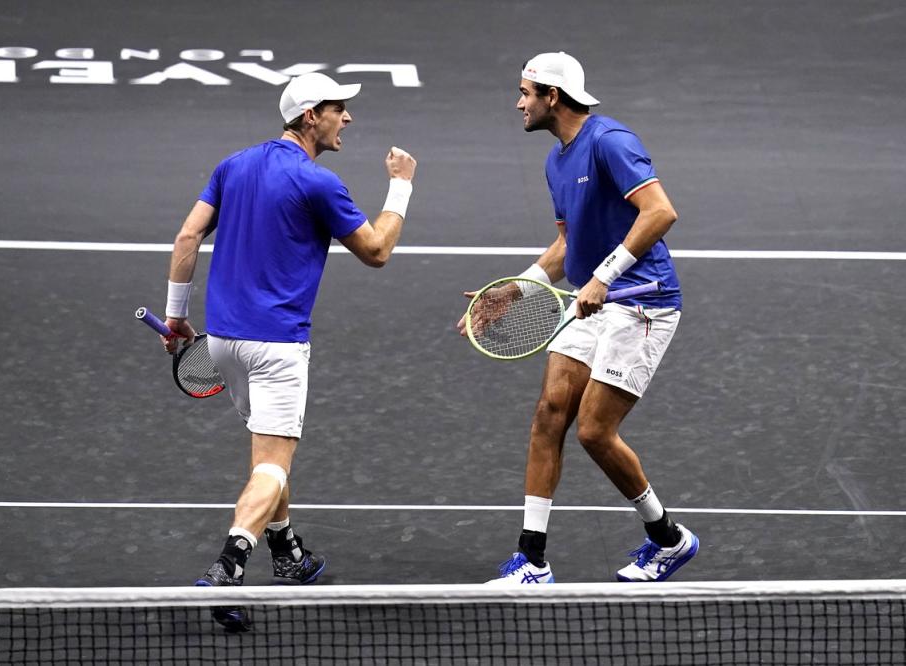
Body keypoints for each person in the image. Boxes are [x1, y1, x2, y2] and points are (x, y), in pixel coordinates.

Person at [161, 72, 417, 629]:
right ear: (309, 117)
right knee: (273, 467)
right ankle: (229, 566)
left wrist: (177, 316)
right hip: (277, 347)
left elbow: (186, 238)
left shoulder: (232, 165)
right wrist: (401, 186)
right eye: (337, 109)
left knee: (266, 458)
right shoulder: (317, 181)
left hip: (224, 342)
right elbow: (376, 251)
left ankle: (287, 552)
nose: (345, 118)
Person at [457, 52, 697, 584]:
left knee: (593, 431)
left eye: (525, 92)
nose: (518, 102)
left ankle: (669, 538)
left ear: (553, 97)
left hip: (642, 302)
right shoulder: (554, 161)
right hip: (596, 301)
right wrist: (516, 290)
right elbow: (567, 244)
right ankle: (533, 559)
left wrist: (605, 276)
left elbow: (660, 212)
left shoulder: (611, 141)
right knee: (549, 414)